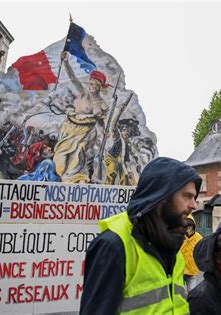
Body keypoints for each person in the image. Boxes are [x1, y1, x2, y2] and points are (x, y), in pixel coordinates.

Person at [79, 157, 202, 314]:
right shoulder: (114, 245)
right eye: (187, 196)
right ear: (162, 195)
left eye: (194, 197)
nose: (194, 205)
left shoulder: (172, 244)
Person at [53, 55, 109, 183]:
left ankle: (72, 181)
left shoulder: (102, 104)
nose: (91, 86)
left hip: (86, 132)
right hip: (70, 128)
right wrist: (66, 62)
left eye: (94, 85)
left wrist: (105, 131)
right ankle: (58, 177)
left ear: (99, 86)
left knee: (78, 153)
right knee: (60, 155)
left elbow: (101, 122)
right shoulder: (84, 93)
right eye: (90, 83)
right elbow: (73, 78)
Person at [179, 215, 203, 295]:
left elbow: (201, 252)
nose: (188, 228)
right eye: (186, 226)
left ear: (193, 226)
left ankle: (191, 306)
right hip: (180, 270)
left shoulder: (198, 238)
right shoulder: (179, 236)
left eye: (190, 225)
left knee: (192, 293)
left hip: (192, 270)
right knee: (179, 293)